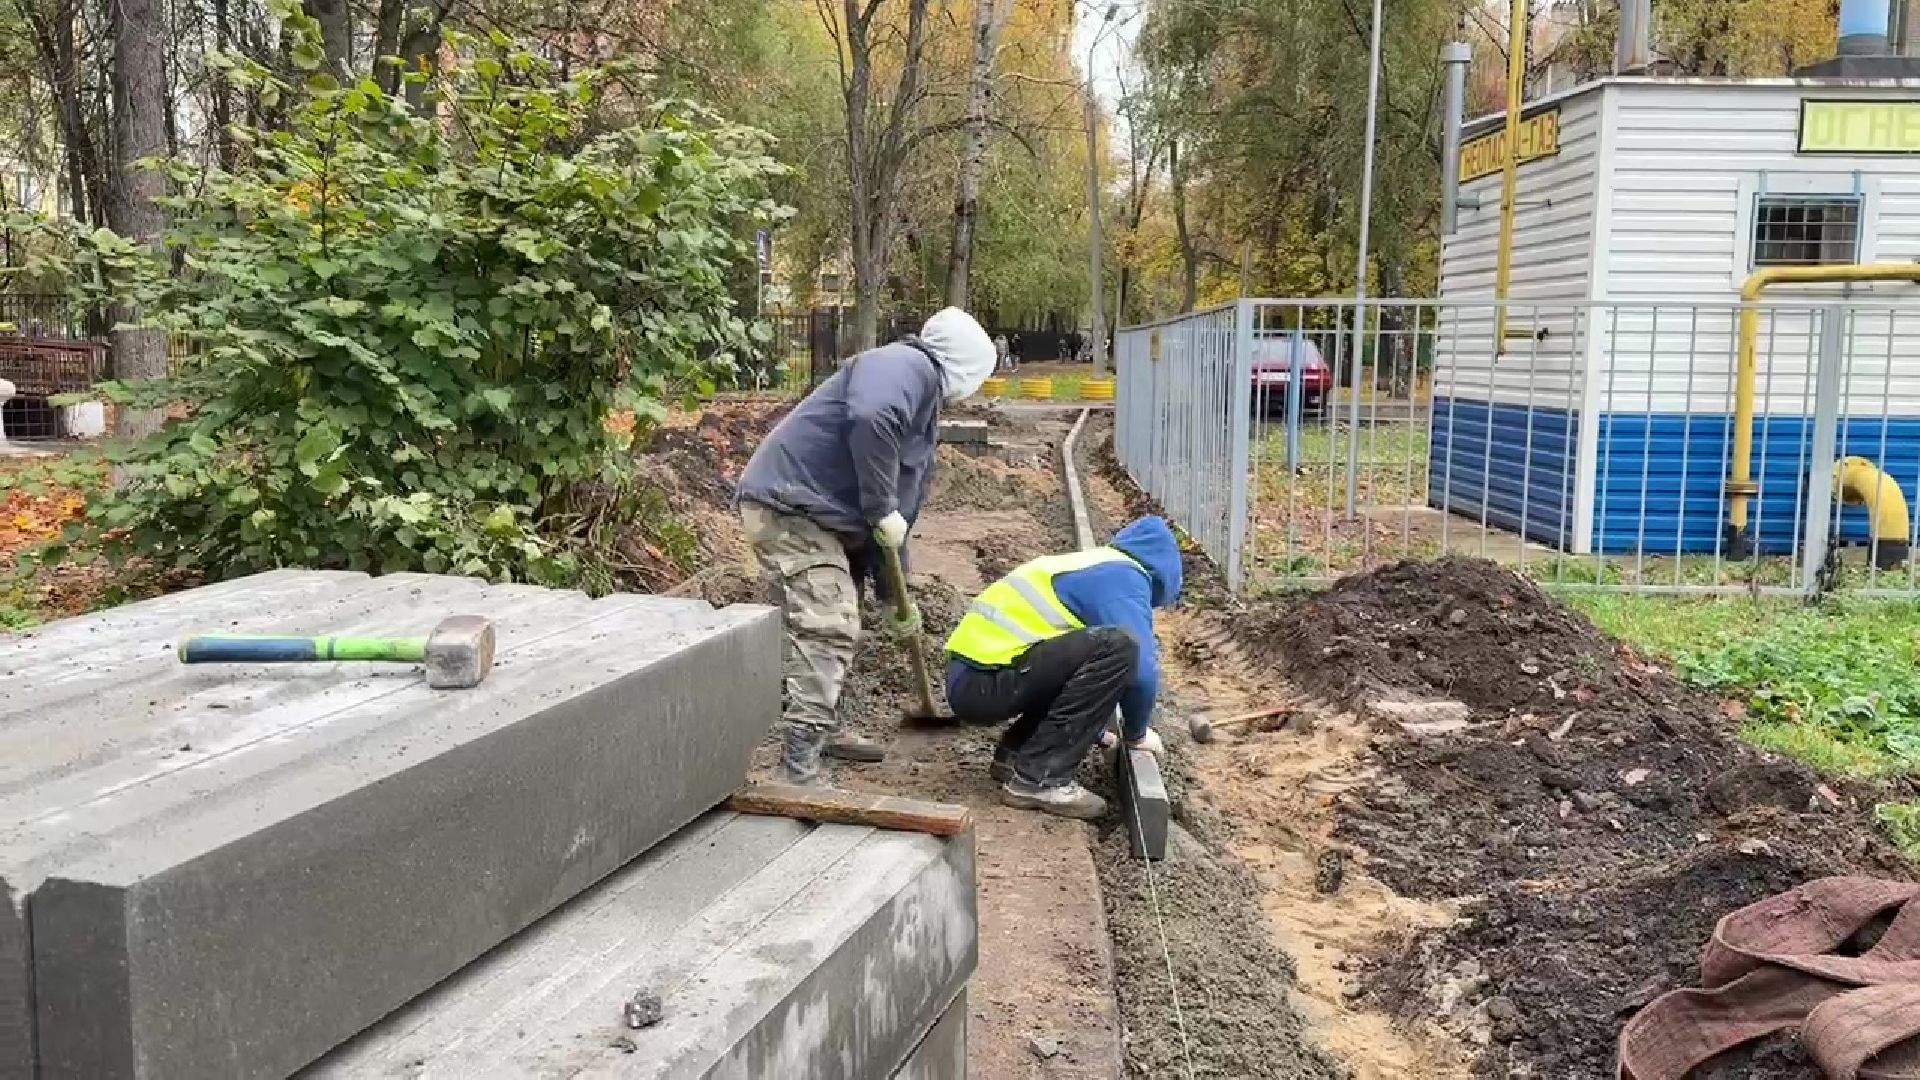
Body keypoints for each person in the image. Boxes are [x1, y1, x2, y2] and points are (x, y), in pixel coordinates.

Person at [736, 308, 997, 784]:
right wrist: (880, 509)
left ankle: (824, 726)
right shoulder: (905, 366)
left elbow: (895, 522)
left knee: (830, 621)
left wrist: (895, 599)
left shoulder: (922, 404)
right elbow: (872, 418)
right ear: (963, 367)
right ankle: (797, 767)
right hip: (790, 507)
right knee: (829, 622)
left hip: (821, 516)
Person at [941, 516, 1182, 819]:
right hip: (984, 682)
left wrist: (1097, 735)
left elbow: (1069, 672)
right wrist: (1136, 734)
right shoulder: (1125, 579)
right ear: (1162, 577)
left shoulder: (1095, 566)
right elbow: (1141, 671)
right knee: (1120, 647)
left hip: (975, 679)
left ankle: (1016, 756)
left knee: (1104, 649)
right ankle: (1039, 780)